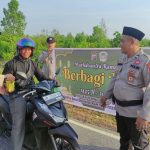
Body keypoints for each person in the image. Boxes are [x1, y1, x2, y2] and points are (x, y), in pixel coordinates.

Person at [100, 26, 150, 150]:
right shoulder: (122, 59)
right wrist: (106, 95)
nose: (120, 44)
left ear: (132, 42)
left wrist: (145, 115)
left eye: (122, 41)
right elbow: (115, 79)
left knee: (140, 146)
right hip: (120, 111)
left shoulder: (145, 61)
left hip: (135, 115)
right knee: (124, 142)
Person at [2, 37, 53, 150]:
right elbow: (5, 80)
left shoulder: (32, 63)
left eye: (29, 49)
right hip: (18, 95)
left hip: (32, 93)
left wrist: (52, 81)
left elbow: (41, 77)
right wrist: (8, 80)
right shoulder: (11, 64)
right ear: (19, 50)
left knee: (44, 114)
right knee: (18, 126)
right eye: (24, 49)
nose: (27, 51)